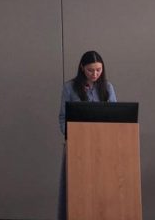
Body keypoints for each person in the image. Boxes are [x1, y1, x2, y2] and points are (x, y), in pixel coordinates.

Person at [57, 51, 117, 220]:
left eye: (98, 70)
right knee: (77, 192)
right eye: (91, 70)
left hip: (103, 147)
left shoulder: (107, 87)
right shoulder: (69, 88)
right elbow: (62, 118)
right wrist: (72, 136)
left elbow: (116, 116)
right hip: (78, 147)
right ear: (82, 68)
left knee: (102, 192)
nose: (95, 74)